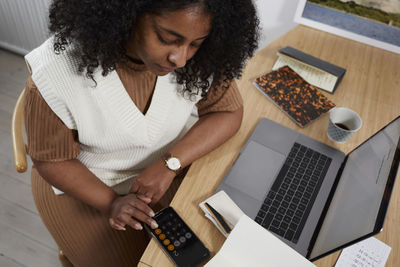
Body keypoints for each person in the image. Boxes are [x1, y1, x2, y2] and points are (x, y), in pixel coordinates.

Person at [24, 0, 259, 265]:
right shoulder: (53, 74)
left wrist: (169, 164)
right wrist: (112, 203)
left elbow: (227, 112)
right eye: (167, 38)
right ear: (127, 15)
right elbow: (50, 160)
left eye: (196, 44)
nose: (180, 59)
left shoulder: (198, 57)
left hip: (166, 168)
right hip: (86, 184)